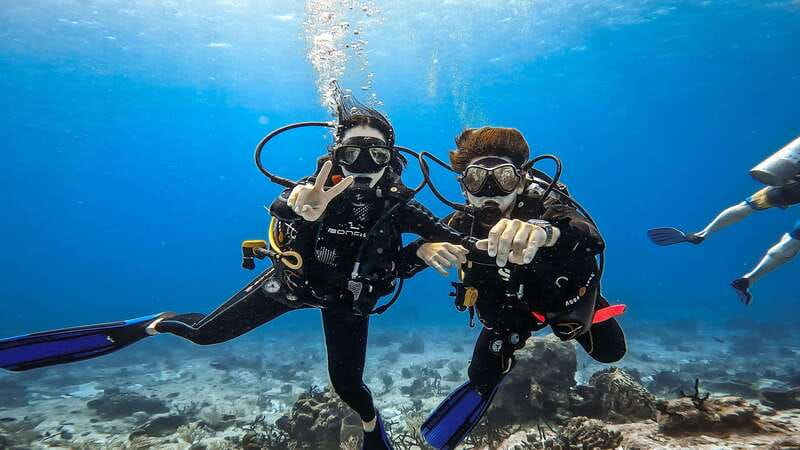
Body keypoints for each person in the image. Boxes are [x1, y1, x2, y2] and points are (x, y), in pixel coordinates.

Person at [0, 89, 476, 450]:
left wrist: (429, 246)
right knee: (205, 334)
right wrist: (299, 214)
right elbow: (286, 212)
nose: (364, 162)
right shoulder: (310, 190)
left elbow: (458, 242)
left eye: (375, 151)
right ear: (336, 155)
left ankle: (373, 427)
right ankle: (151, 324)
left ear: (391, 158)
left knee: (349, 387)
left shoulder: (399, 204)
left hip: (348, 302)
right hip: (292, 285)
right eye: (352, 151)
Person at [402, 127, 627, 450]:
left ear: (521, 180)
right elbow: (399, 266)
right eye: (477, 179)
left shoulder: (547, 207)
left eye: (504, 178)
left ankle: (590, 306)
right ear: (464, 187)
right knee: (481, 377)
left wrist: (545, 232)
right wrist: (420, 250)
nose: (489, 191)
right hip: (508, 319)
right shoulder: (458, 224)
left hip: (560, 302)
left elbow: (589, 236)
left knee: (611, 352)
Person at [647, 135, 800, 305]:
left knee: (746, 207)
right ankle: (747, 280)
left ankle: (702, 234)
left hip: (794, 183)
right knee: (793, 242)